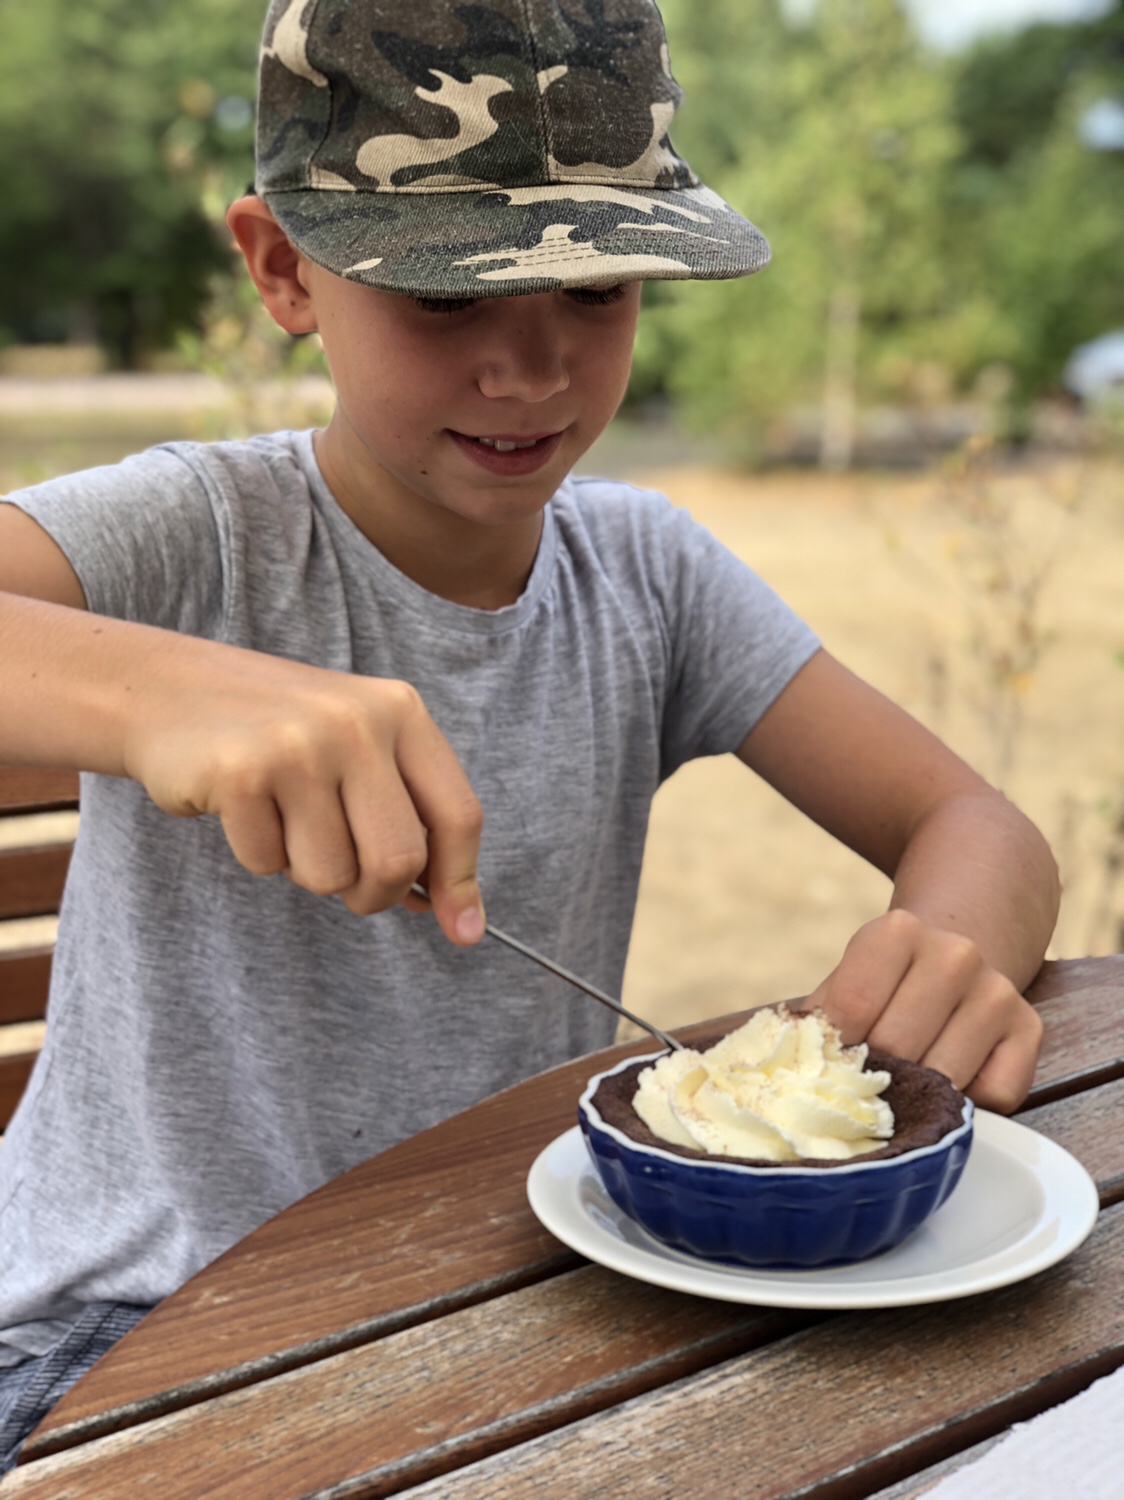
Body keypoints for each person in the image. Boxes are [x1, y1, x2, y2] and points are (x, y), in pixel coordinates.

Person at [0, 0, 1058, 1471]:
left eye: (600, 290)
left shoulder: (647, 574)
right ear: (283, 268)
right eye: (446, 299)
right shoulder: (201, 540)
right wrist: (162, 692)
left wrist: (954, 945)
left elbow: (982, 830)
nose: (532, 371)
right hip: (119, 1330)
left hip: (502, 1305)